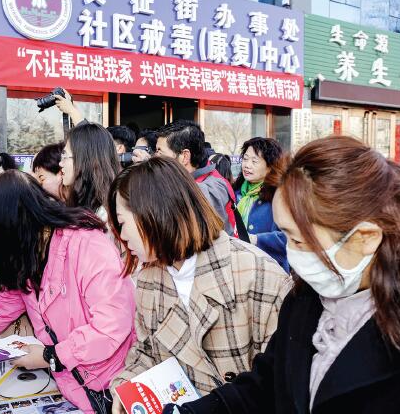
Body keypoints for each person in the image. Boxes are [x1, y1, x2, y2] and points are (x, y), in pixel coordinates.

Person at [179, 136, 400, 414]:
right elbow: (266, 383)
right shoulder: (304, 299)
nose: (291, 252)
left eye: (298, 240)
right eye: (285, 236)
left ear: (365, 237)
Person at [0, 171, 136, 412]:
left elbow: (111, 326)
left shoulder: (86, 245)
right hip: (74, 388)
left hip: (113, 388)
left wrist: (50, 356)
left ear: (12, 225)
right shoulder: (31, 256)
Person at [107, 158, 290, 409]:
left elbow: (277, 380)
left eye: (122, 222)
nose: (121, 235)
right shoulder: (149, 279)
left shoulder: (257, 273)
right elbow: (147, 350)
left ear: (153, 213)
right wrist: (127, 388)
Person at [156, 120, 236, 235]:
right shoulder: (189, 180)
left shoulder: (210, 189)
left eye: (160, 152)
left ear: (185, 156)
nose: (155, 157)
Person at [233, 138, 289, 272]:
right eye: (245, 159)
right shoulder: (236, 193)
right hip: (239, 268)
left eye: (254, 161)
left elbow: (289, 238)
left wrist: (256, 240)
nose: (247, 165)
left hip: (269, 271)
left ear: (270, 166)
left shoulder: (279, 196)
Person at [60, 123, 121, 221]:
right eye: (62, 156)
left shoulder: (105, 215)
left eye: (65, 156)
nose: (60, 164)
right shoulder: (81, 199)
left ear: (85, 160)